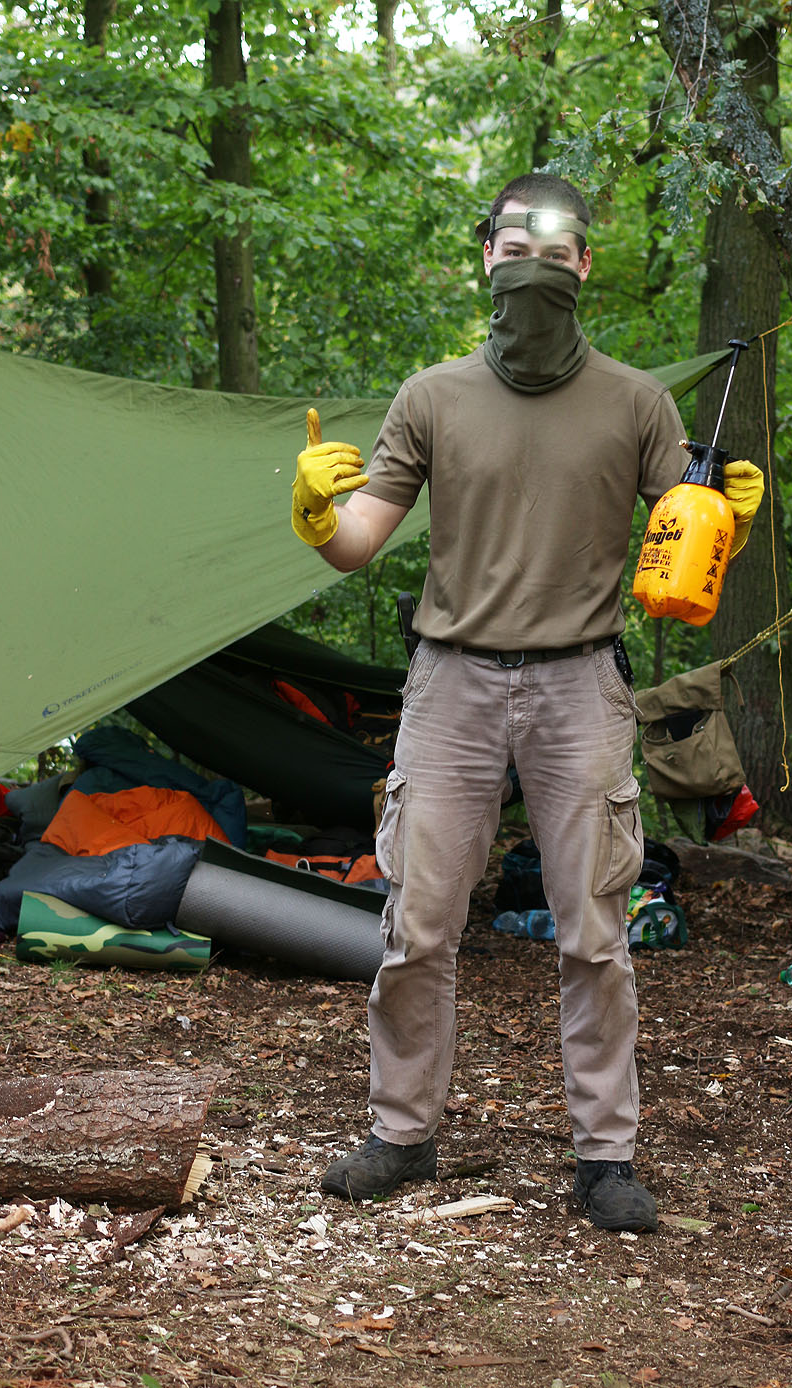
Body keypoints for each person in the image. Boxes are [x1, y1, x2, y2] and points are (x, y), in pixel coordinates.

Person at [289, 173, 763, 1233]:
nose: (536, 261)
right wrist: (317, 513)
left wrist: (726, 511)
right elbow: (360, 539)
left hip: (581, 685)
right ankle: (403, 1133)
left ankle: (606, 1155)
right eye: (516, 241)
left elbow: (681, 560)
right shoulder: (432, 397)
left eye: (558, 246)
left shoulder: (639, 401)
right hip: (452, 682)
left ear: (586, 262)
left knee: (597, 930)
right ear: (486, 254)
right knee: (418, 924)